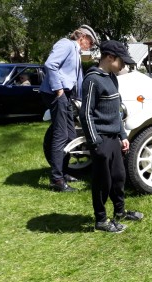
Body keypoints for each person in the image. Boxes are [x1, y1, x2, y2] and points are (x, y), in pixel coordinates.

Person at [79, 40, 143, 233]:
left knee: (118, 177)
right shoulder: (92, 80)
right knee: (102, 181)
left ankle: (120, 212)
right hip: (101, 140)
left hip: (115, 138)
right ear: (109, 57)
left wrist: (123, 135)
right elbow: (85, 114)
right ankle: (101, 220)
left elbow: (117, 110)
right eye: (121, 61)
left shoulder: (112, 78)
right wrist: (95, 142)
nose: (123, 65)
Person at [40, 24, 100, 192]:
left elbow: (76, 77)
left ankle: (63, 172)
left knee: (71, 135)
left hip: (66, 95)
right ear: (83, 38)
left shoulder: (76, 52)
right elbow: (50, 64)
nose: (91, 46)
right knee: (61, 135)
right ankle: (56, 180)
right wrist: (59, 90)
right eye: (91, 43)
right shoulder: (66, 44)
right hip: (56, 93)